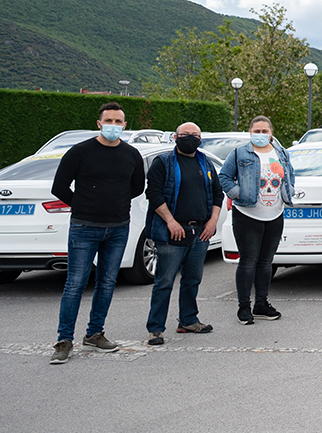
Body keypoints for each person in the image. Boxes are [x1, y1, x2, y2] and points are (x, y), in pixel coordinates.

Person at [48, 102, 145, 364]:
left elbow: (136, 187)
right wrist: (82, 205)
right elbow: (59, 187)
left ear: (125, 125)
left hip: (117, 227)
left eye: (118, 122)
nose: (113, 126)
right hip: (84, 227)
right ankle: (64, 340)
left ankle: (94, 334)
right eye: (109, 121)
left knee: (106, 283)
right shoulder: (80, 152)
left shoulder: (132, 154)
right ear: (99, 123)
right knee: (75, 284)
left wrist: (114, 203)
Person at [144, 122, 224, 344]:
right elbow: (154, 194)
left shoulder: (205, 162)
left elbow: (218, 193)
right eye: (185, 135)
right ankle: (156, 329)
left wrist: (212, 221)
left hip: (200, 232)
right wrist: (170, 221)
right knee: (164, 280)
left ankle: (188, 320)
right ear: (176, 137)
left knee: (192, 279)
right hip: (173, 232)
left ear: (200, 138)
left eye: (195, 135)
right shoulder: (164, 163)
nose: (190, 138)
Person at [218, 116, 294, 324]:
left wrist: (289, 192)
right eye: (257, 131)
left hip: (275, 215)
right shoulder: (239, 153)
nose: (260, 135)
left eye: (264, 131)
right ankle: (244, 307)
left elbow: (290, 175)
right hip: (247, 215)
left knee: (266, 261)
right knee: (248, 261)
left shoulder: (281, 153)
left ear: (271, 132)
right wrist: (237, 193)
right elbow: (224, 177)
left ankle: (261, 303)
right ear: (250, 131)